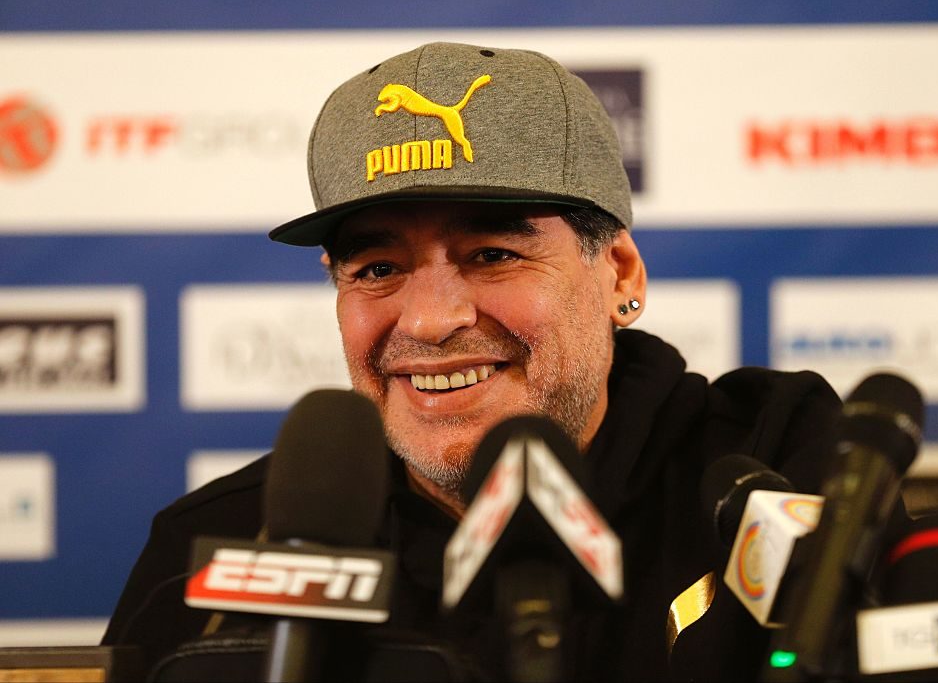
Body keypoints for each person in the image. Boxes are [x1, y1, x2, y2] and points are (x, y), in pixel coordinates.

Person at [102, 42, 845, 681]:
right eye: (377, 269)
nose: (429, 320)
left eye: (493, 254)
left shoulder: (771, 469)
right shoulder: (221, 546)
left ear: (619, 272)